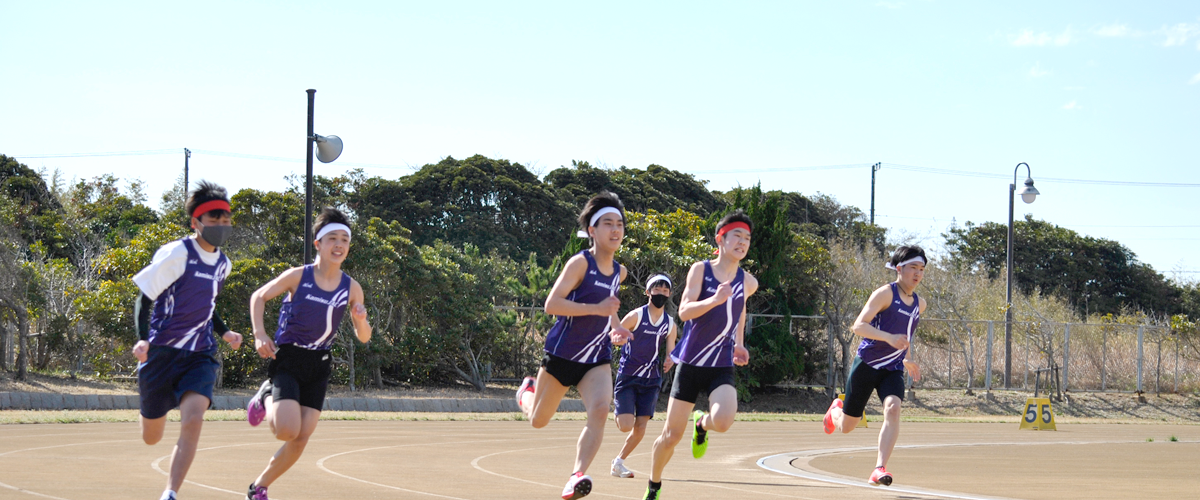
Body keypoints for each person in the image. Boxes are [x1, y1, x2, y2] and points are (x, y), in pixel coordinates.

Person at [242, 208, 372, 500]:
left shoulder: (352, 288)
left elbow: (364, 337)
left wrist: (361, 319)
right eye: (332, 238)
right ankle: (265, 395)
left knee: (301, 439)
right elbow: (258, 297)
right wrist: (259, 334)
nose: (339, 245)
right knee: (287, 430)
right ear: (318, 244)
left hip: (319, 364)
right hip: (288, 357)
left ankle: (258, 487)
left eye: (344, 240)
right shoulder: (298, 276)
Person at [514, 192, 632, 500]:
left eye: (619, 224)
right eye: (608, 223)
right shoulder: (580, 263)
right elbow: (552, 304)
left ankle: (576, 475)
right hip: (562, 354)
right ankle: (527, 393)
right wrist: (596, 310)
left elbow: (610, 305)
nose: (615, 230)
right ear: (592, 230)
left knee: (600, 410)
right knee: (538, 420)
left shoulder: (620, 272)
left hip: (596, 358)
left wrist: (616, 327)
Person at [131, 181, 243, 500]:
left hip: (200, 354)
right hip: (162, 352)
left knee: (193, 419)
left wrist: (224, 333)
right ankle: (152, 409)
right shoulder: (177, 253)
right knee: (151, 437)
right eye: (214, 220)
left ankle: (170, 492)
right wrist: (142, 340)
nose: (221, 227)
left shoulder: (223, 264)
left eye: (226, 221)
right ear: (196, 222)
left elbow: (208, 306)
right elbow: (144, 298)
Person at [643, 210, 758, 500]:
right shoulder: (701, 270)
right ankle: (654, 486)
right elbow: (683, 311)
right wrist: (714, 299)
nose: (742, 242)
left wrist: (739, 342)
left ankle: (701, 423)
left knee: (723, 421)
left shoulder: (748, 281)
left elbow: (740, 309)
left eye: (747, 238)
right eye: (737, 236)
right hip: (692, 364)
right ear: (721, 239)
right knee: (671, 436)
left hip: (720, 364)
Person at [821, 245, 927, 487]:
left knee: (893, 409)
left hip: (893, 369)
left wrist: (907, 357)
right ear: (899, 269)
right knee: (848, 426)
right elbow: (858, 326)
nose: (918, 273)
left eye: (921, 269)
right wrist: (888, 338)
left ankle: (879, 468)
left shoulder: (920, 305)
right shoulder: (885, 294)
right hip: (867, 364)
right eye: (913, 267)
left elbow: (906, 335)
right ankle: (835, 411)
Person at [610, 274, 678, 479]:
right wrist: (619, 339)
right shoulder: (636, 316)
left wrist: (670, 360)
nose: (661, 294)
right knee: (626, 426)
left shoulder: (670, 323)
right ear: (648, 292)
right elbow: (616, 335)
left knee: (640, 428)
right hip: (629, 376)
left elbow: (670, 350)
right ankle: (616, 406)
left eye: (665, 291)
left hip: (651, 380)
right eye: (657, 290)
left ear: (670, 294)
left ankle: (618, 463)